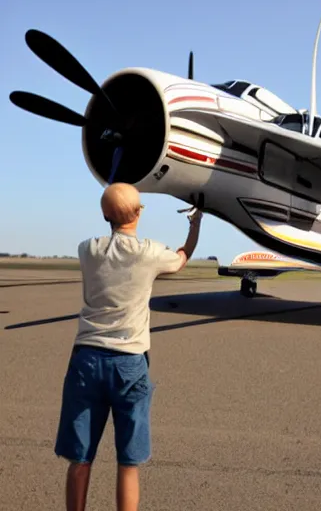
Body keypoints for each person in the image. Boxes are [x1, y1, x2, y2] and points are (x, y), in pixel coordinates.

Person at [54, 182, 203, 511]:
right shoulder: (149, 253)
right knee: (128, 462)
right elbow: (181, 259)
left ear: (104, 215)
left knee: (79, 458)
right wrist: (195, 224)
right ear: (140, 213)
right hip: (130, 364)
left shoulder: (87, 250)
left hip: (87, 361)